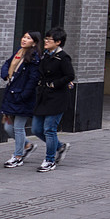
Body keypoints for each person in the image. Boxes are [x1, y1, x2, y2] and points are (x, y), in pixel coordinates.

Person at [32, 26, 75, 172]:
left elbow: (70, 76)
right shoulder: (45, 55)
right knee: (37, 129)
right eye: (46, 38)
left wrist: (54, 84)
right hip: (43, 96)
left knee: (49, 129)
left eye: (49, 39)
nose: (46, 41)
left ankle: (50, 160)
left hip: (57, 97)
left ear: (58, 42)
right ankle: (60, 147)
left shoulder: (63, 57)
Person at [0, 31, 42, 168]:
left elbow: (33, 80)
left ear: (34, 43)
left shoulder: (34, 58)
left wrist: (23, 95)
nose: (24, 39)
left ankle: (18, 156)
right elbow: (7, 64)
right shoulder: (19, 53)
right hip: (11, 95)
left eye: (28, 38)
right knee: (8, 127)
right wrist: (5, 74)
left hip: (23, 97)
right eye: (23, 37)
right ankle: (27, 145)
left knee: (18, 127)